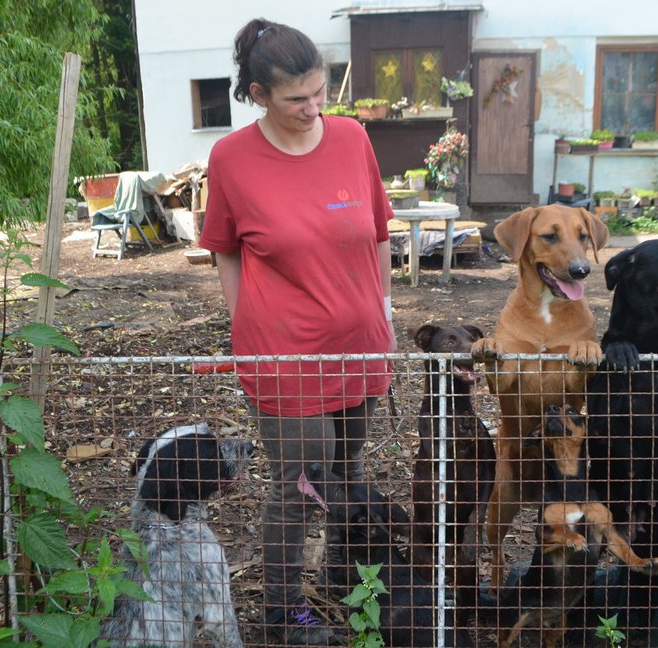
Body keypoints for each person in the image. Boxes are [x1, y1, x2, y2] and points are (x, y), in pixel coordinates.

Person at [198, 17, 396, 646]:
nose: (313, 109)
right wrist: (241, 322)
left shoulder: (351, 139)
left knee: (350, 467)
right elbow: (225, 248)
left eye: (321, 92)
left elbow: (379, 231)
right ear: (258, 94)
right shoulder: (232, 158)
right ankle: (285, 614)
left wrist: (383, 309)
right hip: (285, 353)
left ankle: (345, 580)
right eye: (295, 99)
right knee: (300, 481)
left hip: (361, 343)